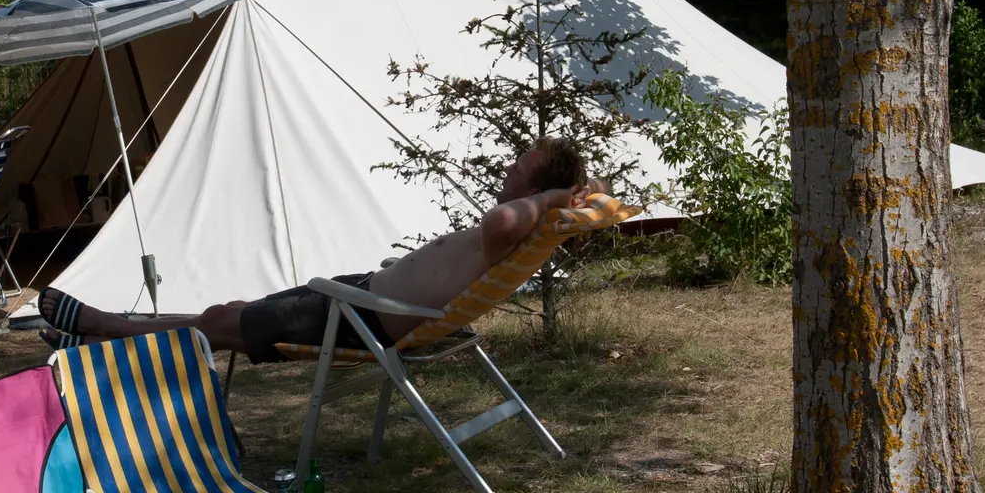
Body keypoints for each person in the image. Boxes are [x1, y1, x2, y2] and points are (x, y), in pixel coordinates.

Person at [38, 136, 617, 361]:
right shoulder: (527, 225)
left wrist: (549, 195)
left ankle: (96, 327)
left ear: (538, 185)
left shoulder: (516, 223)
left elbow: (498, 218)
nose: (509, 172)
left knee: (220, 324)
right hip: (357, 298)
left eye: (521, 170)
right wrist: (563, 193)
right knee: (227, 315)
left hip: (360, 318)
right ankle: (90, 338)